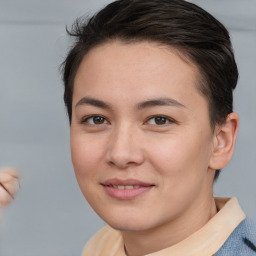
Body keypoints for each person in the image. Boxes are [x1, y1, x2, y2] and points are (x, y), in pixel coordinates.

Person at [61, 0, 256, 255]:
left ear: (221, 140)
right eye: (97, 119)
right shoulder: (102, 247)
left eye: (159, 120)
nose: (121, 154)